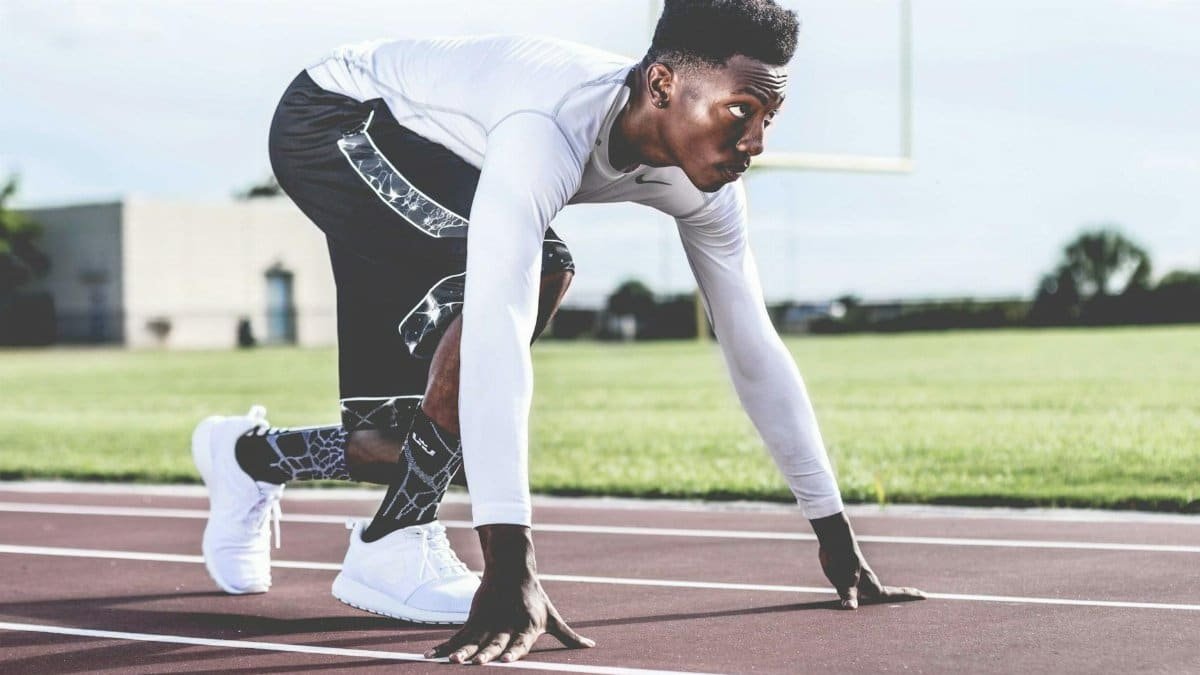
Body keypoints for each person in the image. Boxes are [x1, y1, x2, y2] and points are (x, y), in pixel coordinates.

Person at [192, 0, 924, 665]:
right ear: (663, 84)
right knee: (540, 269)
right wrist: (510, 568)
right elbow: (500, 329)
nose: (757, 139)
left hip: (431, 152)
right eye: (742, 111)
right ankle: (392, 541)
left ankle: (249, 456)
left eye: (771, 117)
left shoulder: (708, 188)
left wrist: (835, 537)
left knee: (403, 440)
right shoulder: (547, 126)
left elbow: (754, 348)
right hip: (335, 119)